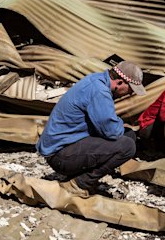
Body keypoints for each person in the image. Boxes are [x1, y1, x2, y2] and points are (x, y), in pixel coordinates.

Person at [37, 60, 146, 198]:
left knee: (129, 135)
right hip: (60, 155)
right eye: (130, 90)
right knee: (127, 146)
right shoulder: (99, 91)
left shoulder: (97, 80)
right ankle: (78, 184)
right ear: (120, 82)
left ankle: (80, 178)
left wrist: (117, 124)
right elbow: (111, 131)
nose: (128, 94)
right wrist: (119, 122)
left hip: (65, 146)